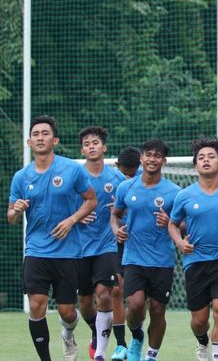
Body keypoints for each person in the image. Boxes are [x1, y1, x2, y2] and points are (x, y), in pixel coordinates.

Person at [8, 115, 98, 361]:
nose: (40, 137)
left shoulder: (72, 169)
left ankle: (68, 333)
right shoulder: (21, 177)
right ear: (29, 141)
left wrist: (72, 220)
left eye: (45, 133)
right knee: (36, 305)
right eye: (35, 134)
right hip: (36, 251)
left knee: (68, 311)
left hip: (67, 252)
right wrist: (15, 209)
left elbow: (91, 201)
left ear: (54, 139)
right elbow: (11, 217)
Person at [168, 138, 218, 361]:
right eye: (201, 158)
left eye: (211, 157)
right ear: (195, 165)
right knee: (199, 320)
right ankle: (202, 340)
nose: (206, 160)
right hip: (195, 262)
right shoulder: (184, 196)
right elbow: (172, 224)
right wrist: (179, 242)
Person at [111, 139, 181, 361]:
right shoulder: (126, 187)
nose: (152, 159)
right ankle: (136, 336)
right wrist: (116, 230)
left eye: (157, 155)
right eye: (148, 154)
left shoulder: (174, 192)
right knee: (135, 304)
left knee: (158, 310)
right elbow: (115, 215)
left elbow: (185, 224)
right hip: (134, 258)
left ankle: (151, 355)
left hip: (162, 260)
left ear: (164, 160)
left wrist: (170, 221)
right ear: (141, 158)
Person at [77, 126, 127, 361]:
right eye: (87, 144)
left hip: (107, 246)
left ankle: (99, 353)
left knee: (106, 294)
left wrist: (119, 211)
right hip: (79, 248)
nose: (91, 146)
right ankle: (96, 331)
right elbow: (61, 207)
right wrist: (77, 214)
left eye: (95, 142)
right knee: (86, 303)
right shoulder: (74, 176)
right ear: (82, 150)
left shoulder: (117, 179)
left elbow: (128, 208)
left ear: (104, 147)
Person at [110, 145, 141, 359]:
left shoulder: (147, 180)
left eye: (132, 172)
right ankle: (120, 344)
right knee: (115, 291)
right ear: (117, 167)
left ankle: (136, 337)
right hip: (117, 243)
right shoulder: (112, 181)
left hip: (140, 245)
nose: (128, 176)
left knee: (136, 300)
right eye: (125, 172)